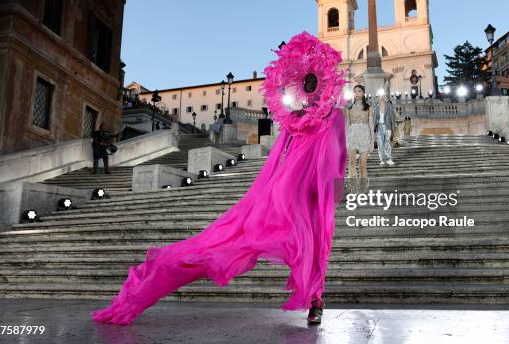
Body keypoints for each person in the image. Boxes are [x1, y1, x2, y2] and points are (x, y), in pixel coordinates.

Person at [90, 31, 348, 326]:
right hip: (288, 195)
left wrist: (336, 187)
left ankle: (316, 298)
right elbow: (279, 157)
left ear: (322, 82)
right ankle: (161, 276)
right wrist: (271, 192)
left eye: (313, 82)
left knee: (314, 245)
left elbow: (339, 155)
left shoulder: (334, 117)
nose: (310, 87)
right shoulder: (295, 121)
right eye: (307, 82)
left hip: (315, 193)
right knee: (264, 242)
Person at [344, 85, 374, 191]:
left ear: (363, 93)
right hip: (352, 135)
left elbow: (371, 124)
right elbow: (347, 125)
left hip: (365, 135)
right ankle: (352, 187)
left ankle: (363, 189)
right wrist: (345, 140)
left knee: (362, 164)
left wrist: (372, 142)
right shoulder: (348, 108)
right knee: (352, 162)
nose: (357, 93)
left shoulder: (369, 107)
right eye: (355, 91)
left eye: (359, 91)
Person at [372, 95, 397, 166]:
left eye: (383, 97)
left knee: (387, 143)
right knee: (380, 144)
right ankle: (382, 160)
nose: (382, 98)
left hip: (387, 127)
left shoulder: (389, 106)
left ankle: (389, 159)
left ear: (385, 98)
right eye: (380, 97)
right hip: (379, 127)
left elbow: (392, 118)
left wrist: (393, 129)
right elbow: (374, 119)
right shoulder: (376, 107)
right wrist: (372, 130)